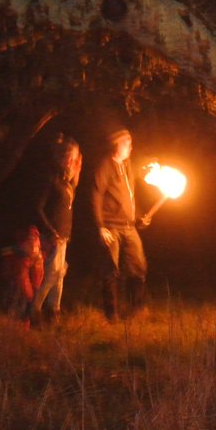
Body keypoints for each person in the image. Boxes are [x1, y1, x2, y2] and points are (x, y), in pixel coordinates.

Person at [91, 127, 147, 322]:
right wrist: (100, 226)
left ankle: (136, 308)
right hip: (111, 226)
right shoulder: (106, 165)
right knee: (110, 268)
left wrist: (139, 216)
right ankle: (111, 313)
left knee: (138, 265)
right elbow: (97, 194)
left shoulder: (127, 165)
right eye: (126, 143)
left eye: (131, 143)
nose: (130, 147)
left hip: (129, 225)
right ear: (116, 145)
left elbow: (129, 197)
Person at [31, 135, 81, 324]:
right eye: (68, 156)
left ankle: (54, 311)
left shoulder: (67, 183)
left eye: (74, 158)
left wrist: (76, 172)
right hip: (52, 235)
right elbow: (38, 207)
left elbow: (68, 202)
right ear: (60, 157)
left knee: (59, 272)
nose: (71, 161)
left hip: (64, 235)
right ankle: (34, 309)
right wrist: (50, 231)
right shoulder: (51, 179)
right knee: (52, 272)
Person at [0, 225, 44, 326]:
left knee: (29, 293)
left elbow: (37, 278)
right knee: (23, 292)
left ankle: (25, 318)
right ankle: (18, 317)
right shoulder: (16, 249)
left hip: (26, 268)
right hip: (17, 270)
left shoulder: (35, 252)